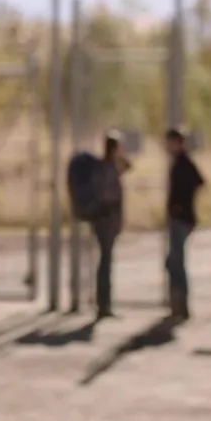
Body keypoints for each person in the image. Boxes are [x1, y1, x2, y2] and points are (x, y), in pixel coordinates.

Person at [164, 127, 204, 320]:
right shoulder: (179, 163)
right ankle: (177, 304)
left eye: (170, 142)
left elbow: (198, 182)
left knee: (176, 262)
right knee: (173, 261)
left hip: (181, 218)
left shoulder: (184, 163)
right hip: (179, 217)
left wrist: (181, 204)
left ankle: (181, 306)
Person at [90, 131, 131, 319]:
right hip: (106, 221)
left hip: (105, 220)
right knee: (105, 262)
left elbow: (129, 166)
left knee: (106, 261)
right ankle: (103, 304)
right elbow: (108, 196)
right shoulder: (107, 169)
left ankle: (104, 303)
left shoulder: (107, 166)